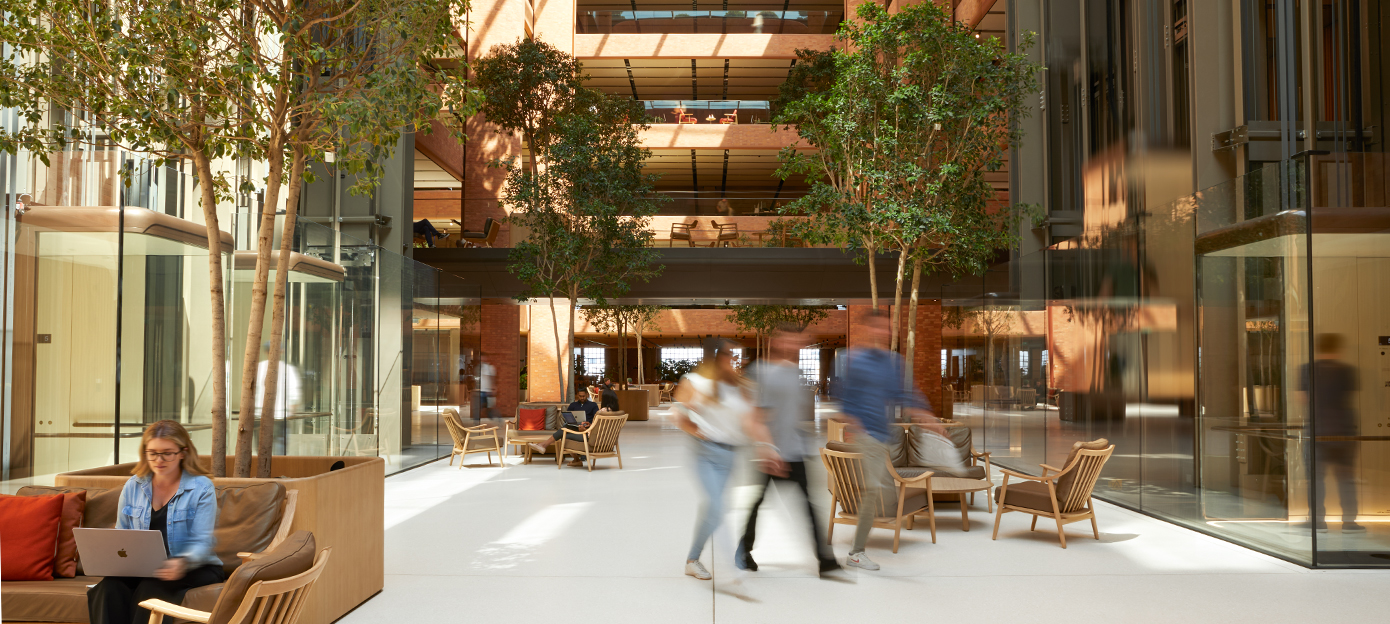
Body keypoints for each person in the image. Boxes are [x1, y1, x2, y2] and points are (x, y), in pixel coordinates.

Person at [830, 311, 941, 571]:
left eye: (888, 327)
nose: (885, 331)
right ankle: (856, 552)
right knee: (871, 491)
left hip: (883, 436)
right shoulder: (855, 360)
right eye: (880, 327)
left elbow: (905, 395)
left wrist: (929, 418)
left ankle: (857, 549)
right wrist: (854, 424)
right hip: (867, 435)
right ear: (869, 329)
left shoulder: (894, 362)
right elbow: (844, 400)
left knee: (880, 492)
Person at [88, 421, 225, 624]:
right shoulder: (133, 485)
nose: (158, 460)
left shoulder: (201, 488)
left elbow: (202, 542)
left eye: (167, 453)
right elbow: (121, 533)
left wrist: (181, 562)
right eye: (152, 453)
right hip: (144, 568)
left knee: (151, 589)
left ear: (182, 452)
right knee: (108, 588)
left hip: (195, 567)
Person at [736, 324, 840, 576]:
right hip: (769, 454)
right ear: (777, 341)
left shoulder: (795, 372)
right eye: (788, 341)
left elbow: (791, 416)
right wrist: (767, 450)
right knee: (758, 503)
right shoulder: (759, 372)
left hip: (794, 451)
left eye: (797, 342)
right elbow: (755, 416)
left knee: (808, 504)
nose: (793, 346)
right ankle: (743, 551)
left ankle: (825, 561)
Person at [673, 340, 770, 581]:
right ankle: (693, 560)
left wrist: (766, 446)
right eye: (729, 355)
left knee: (715, 508)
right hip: (706, 454)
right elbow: (678, 414)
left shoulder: (739, 387)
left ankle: (697, 558)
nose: (734, 359)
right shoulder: (695, 382)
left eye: (734, 355)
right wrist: (698, 431)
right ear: (716, 357)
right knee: (716, 507)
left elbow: (750, 421)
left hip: (730, 455)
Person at [1299, 333, 1364, 533]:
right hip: (1343, 430)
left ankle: (1318, 521)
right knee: (1346, 478)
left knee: (1316, 478)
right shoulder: (1347, 370)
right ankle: (1349, 522)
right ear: (1338, 349)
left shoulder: (1307, 369)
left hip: (1318, 430)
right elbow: (1348, 398)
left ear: (1318, 348)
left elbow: (1303, 399)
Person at [530, 388, 604, 467]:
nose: (582, 398)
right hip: (575, 428)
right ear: (577, 395)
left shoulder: (593, 405)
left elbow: (597, 420)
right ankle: (576, 460)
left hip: (586, 430)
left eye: (584, 396)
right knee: (566, 427)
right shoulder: (573, 405)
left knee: (564, 431)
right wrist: (574, 423)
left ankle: (543, 445)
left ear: (587, 395)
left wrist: (589, 424)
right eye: (580, 396)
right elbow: (567, 418)